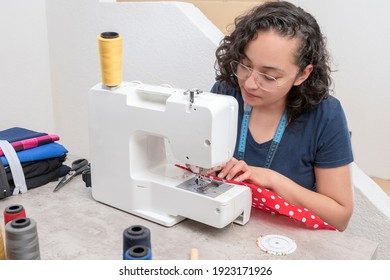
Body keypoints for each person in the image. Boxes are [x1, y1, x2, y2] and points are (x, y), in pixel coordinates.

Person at [211, 1, 353, 231]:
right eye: (245, 65)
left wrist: (272, 180)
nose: (249, 83)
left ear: (302, 74)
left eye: (269, 77)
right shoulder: (225, 92)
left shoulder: (326, 115)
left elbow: (340, 217)